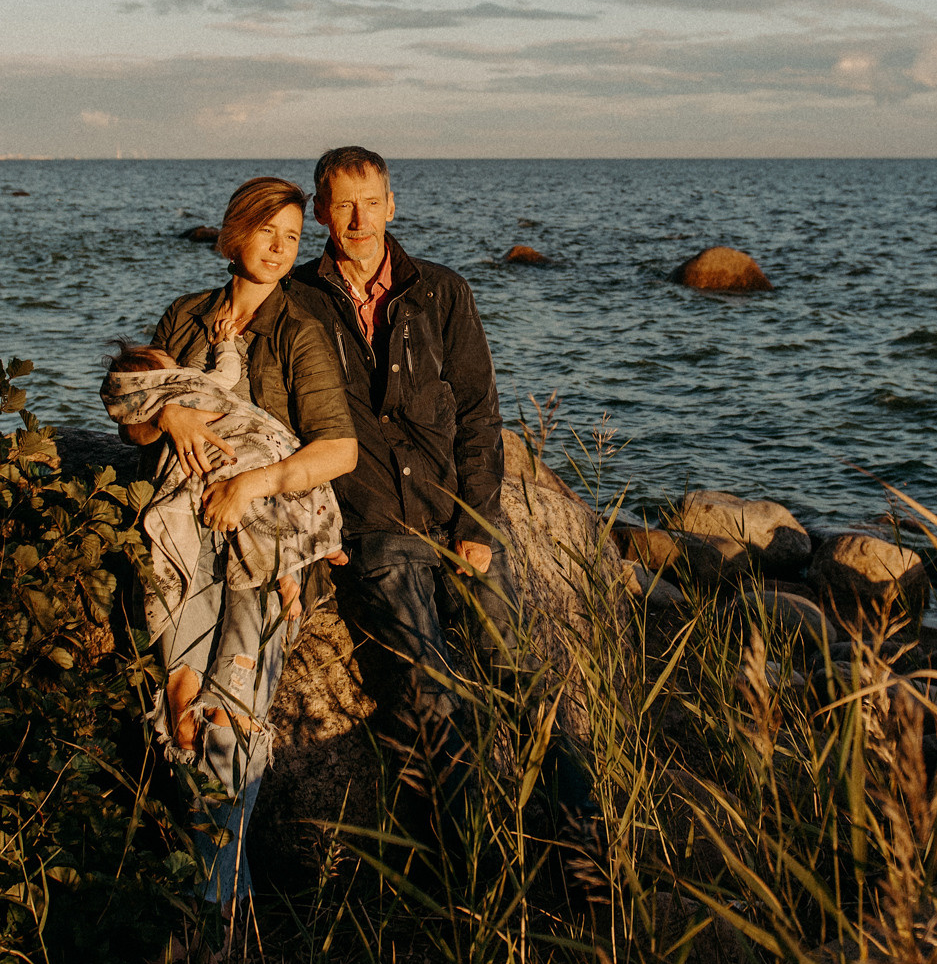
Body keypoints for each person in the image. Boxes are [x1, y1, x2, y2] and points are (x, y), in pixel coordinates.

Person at [281, 145, 593, 854]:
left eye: (371, 201)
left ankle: (582, 853)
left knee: (522, 679)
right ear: (322, 211)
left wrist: (477, 518)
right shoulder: (295, 300)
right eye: (342, 204)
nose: (359, 218)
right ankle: (468, 877)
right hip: (374, 528)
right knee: (429, 699)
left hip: (460, 517)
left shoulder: (443, 292)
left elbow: (482, 412)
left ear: (392, 204)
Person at [117, 176, 356, 907]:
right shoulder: (186, 317)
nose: (282, 250)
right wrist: (174, 421)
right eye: (267, 233)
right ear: (235, 234)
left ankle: (212, 907)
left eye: (292, 237)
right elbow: (133, 416)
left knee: (231, 715)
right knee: (184, 712)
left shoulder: (298, 329)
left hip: (262, 546)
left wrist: (251, 485)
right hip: (187, 540)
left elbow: (338, 451)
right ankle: (230, 898)